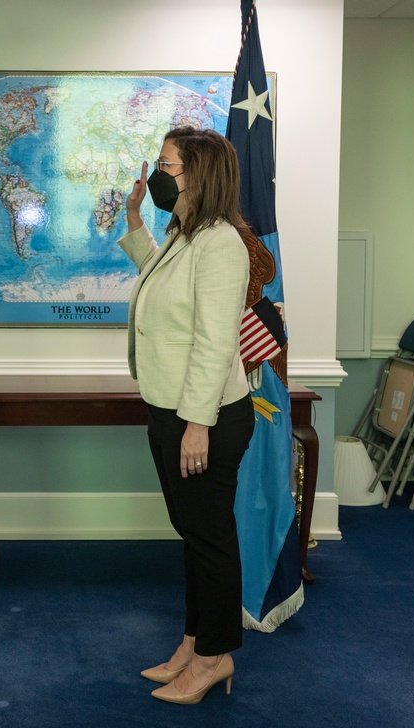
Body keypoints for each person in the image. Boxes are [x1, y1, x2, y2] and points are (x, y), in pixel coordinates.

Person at [117, 126, 256, 705]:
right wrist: (133, 221)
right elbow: (159, 276)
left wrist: (197, 422)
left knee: (210, 536)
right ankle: (194, 641)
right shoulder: (185, 233)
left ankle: (215, 657)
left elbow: (215, 340)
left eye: (167, 165)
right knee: (194, 533)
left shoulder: (222, 241)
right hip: (171, 407)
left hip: (205, 417)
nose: (156, 174)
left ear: (197, 175)